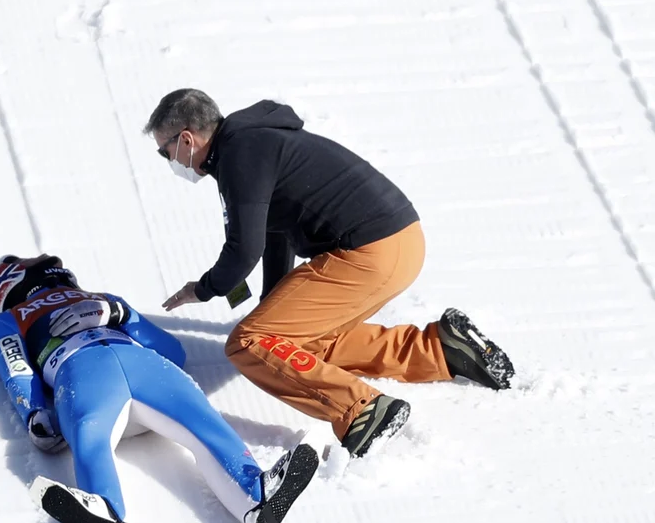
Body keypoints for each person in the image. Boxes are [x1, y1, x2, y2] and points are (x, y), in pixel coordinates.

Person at [145, 89, 515, 457]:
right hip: (402, 242)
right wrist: (270, 304)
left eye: (166, 152)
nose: (169, 160)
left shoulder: (241, 152)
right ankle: (439, 350)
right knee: (294, 342)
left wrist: (205, 289)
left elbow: (244, 250)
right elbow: (276, 233)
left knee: (249, 342)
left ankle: (361, 411)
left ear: (188, 139)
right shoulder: (255, 140)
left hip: (369, 251)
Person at [0, 254, 319, 523]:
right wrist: (33, 410)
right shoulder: (9, 318)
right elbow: (16, 368)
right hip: (83, 370)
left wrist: (120, 312)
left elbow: (172, 350)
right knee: (90, 433)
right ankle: (104, 506)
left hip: (118, 370)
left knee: (198, 418)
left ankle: (257, 496)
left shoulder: (103, 299)